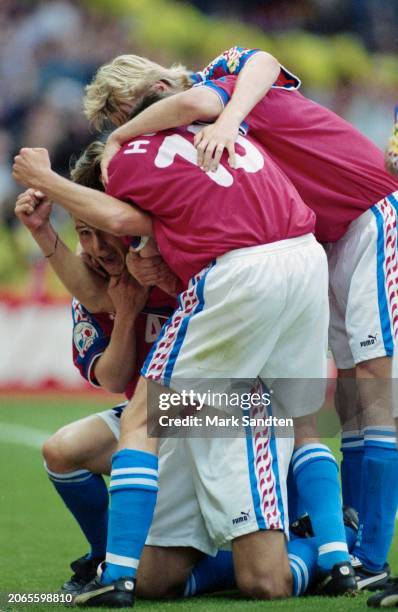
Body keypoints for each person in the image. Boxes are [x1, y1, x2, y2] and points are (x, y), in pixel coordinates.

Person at [88, 47, 398, 588]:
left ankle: (370, 555)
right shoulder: (192, 133)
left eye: (129, 120)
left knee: (372, 385)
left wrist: (209, 121)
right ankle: (344, 549)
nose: (139, 135)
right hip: (318, 240)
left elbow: (259, 64)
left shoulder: (215, 87)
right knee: (343, 397)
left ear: (153, 95)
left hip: (368, 214)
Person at [13, 111, 342, 607]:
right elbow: (112, 374)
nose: (98, 247)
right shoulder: (97, 278)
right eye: (84, 233)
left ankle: (326, 544)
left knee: (266, 584)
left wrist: (166, 278)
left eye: (102, 229)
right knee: (66, 452)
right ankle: (115, 560)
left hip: (230, 414)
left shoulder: (178, 249)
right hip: (165, 426)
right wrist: (122, 313)